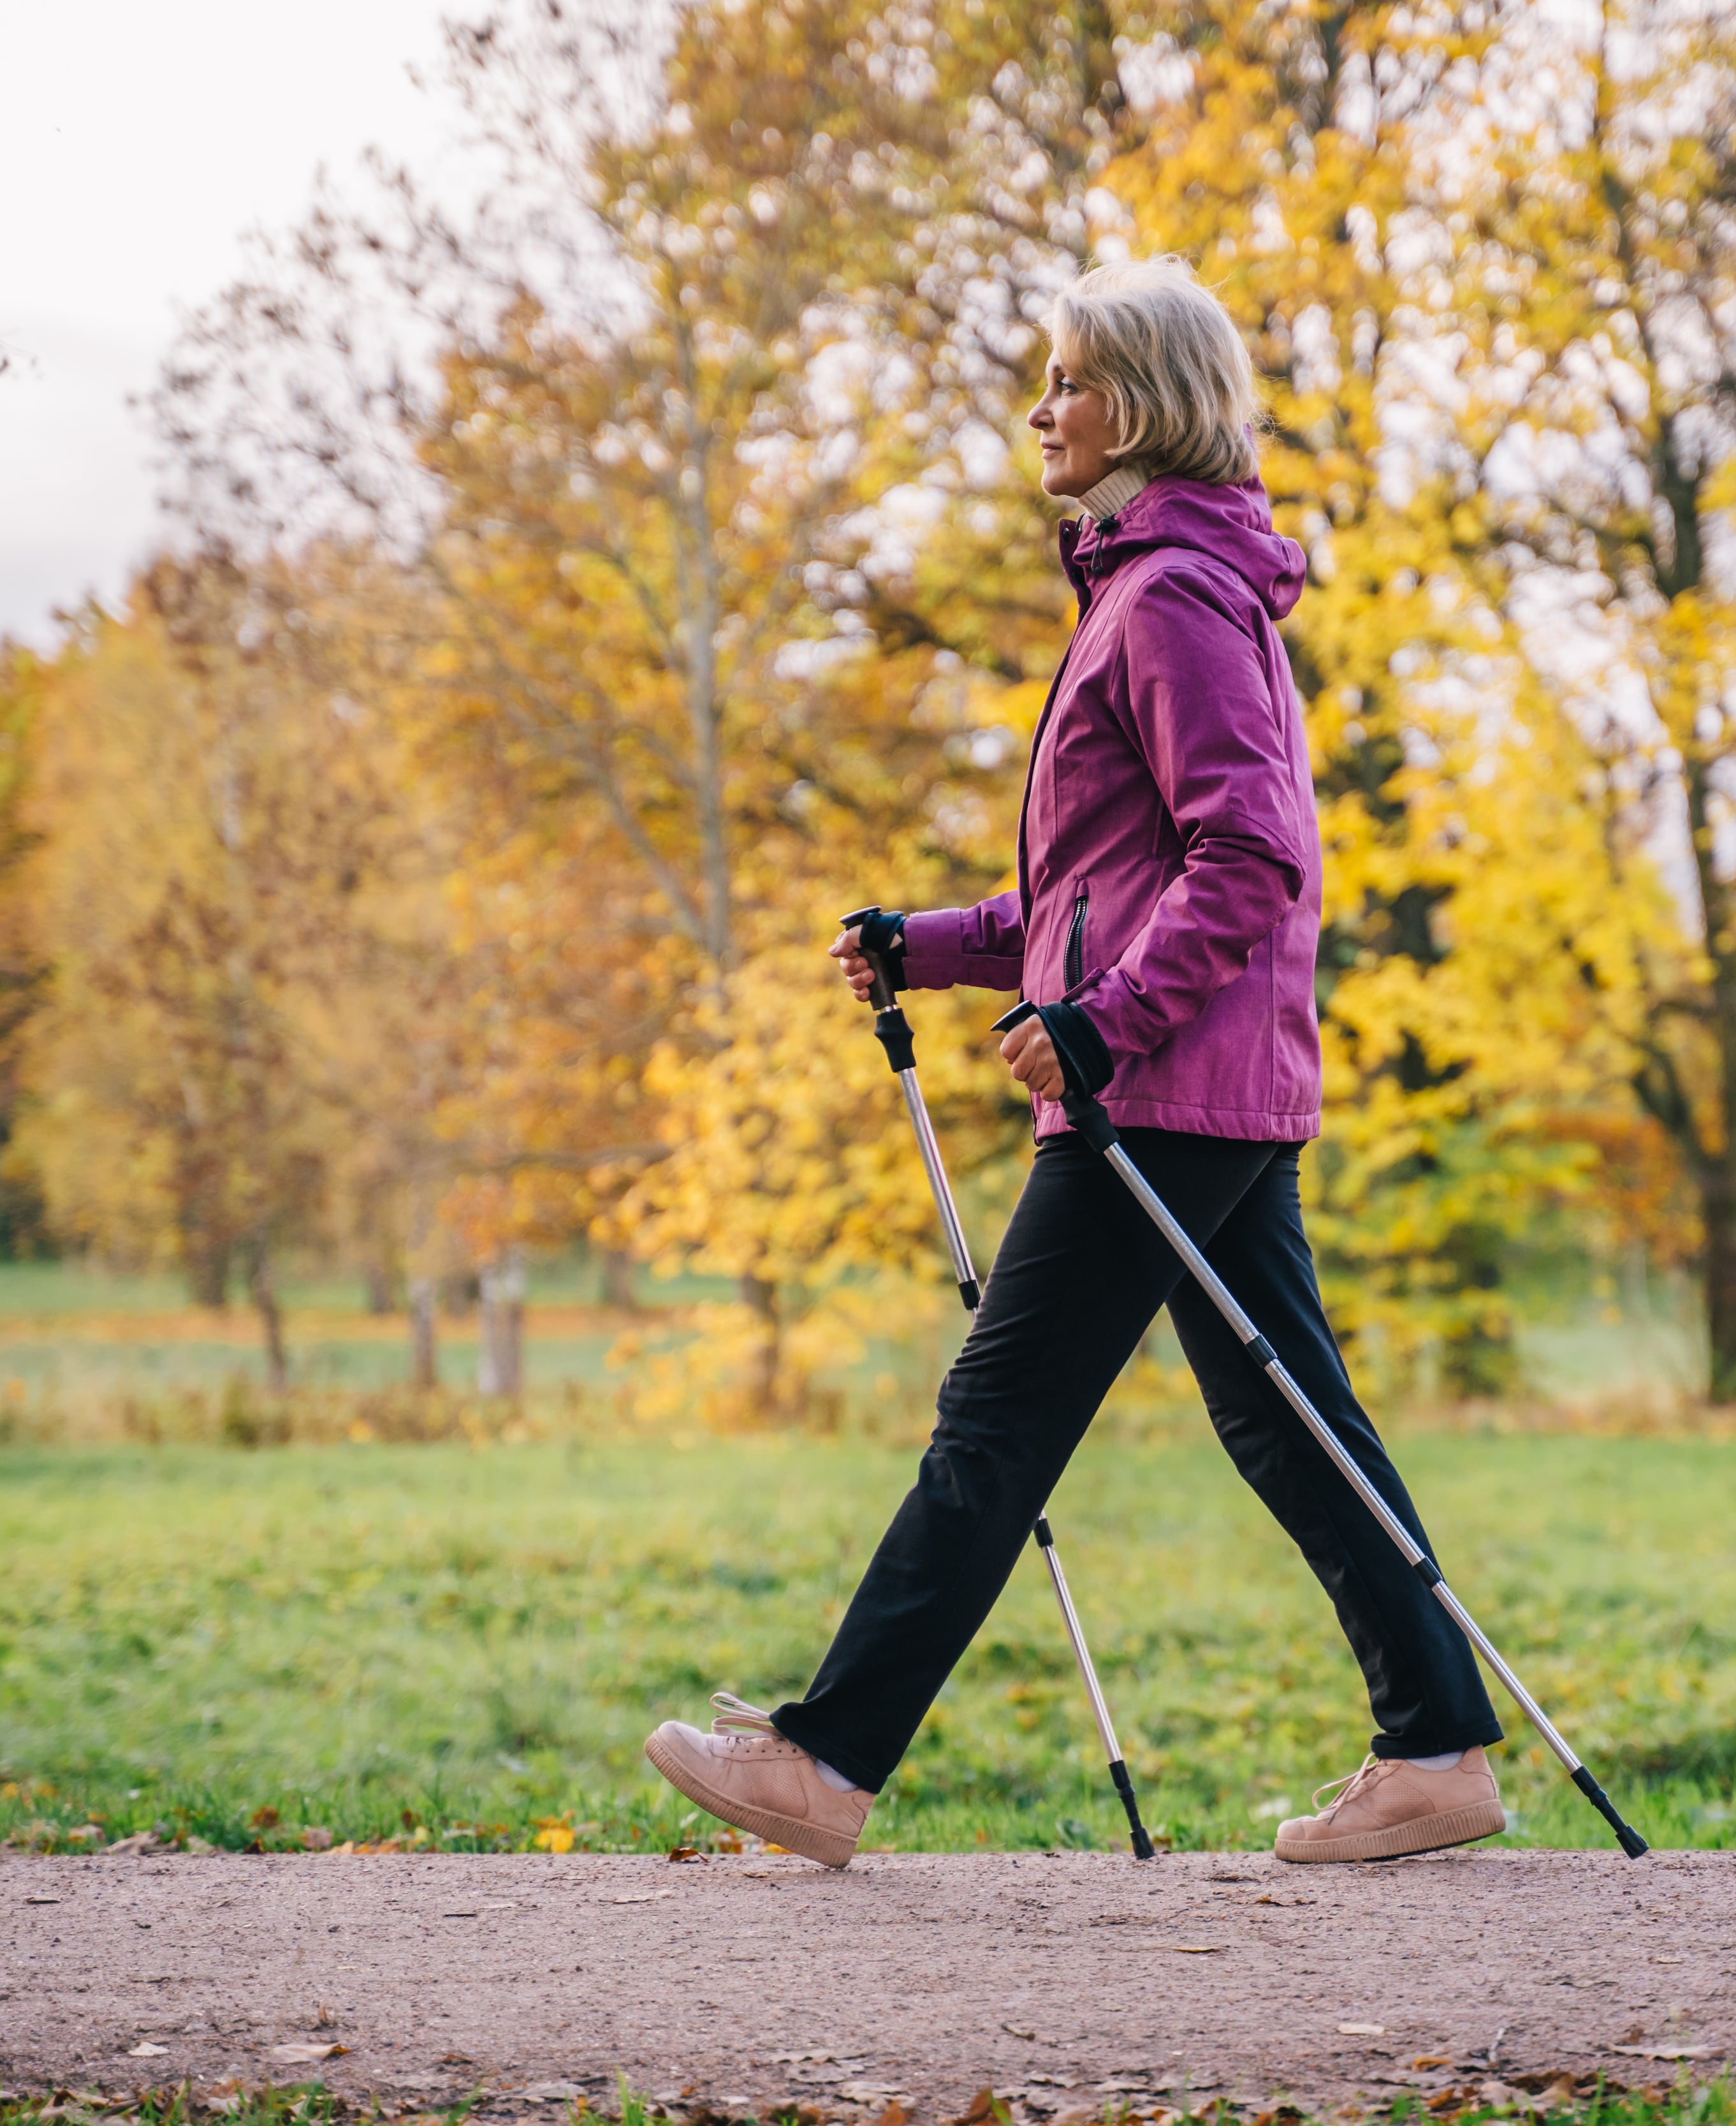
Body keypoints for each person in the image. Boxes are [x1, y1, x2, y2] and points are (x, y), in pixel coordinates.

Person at [643, 256, 1508, 1869]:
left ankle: (824, 1766)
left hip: (1157, 1084)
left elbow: (1250, 855)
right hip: (1197, 1076)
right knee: (1283, 1412)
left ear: (1145, 404)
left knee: (997, 1419)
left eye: (1066, 380)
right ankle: (1438, 1747)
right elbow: (1086, 895)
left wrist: (1104, 1025)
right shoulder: (1147, 587)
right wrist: (933, 939)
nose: (1039, 409)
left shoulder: (1172, 593)